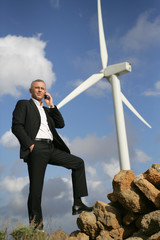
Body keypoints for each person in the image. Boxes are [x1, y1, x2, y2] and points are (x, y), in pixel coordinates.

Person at [12, 79, 92, 229]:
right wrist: (30, 145)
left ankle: (78, 203)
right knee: (36, 188)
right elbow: (16, 127)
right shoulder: (24, 104)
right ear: (31, 90)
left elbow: (61, 124)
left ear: (45, 92)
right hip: (36, 147)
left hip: (51, 148)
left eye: (42, 88)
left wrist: (52, 105)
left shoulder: (48, 110)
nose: (40, 90)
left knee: (78, 163)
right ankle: (36, 227)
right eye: (37, 88)